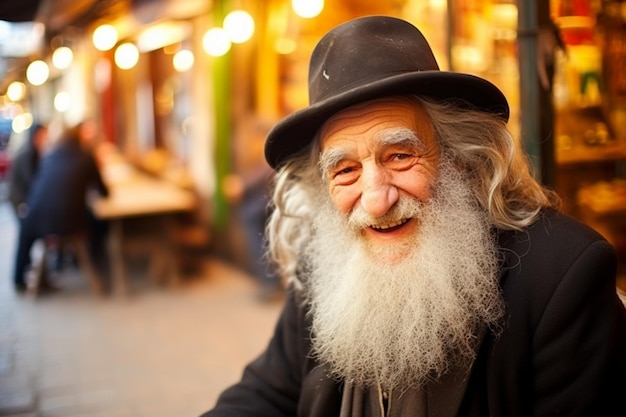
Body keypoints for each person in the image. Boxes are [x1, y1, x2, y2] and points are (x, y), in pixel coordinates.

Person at [201, 16, 626, 416]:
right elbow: (266, 393)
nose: (376, 200)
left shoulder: (563, 275)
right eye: (345, 170)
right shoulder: (326, 265)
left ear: (458, 158)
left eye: (401, 155)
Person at [12, 122, 109, 293]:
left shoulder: (49, 156)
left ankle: (19, 280)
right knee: (100, 223)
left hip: (35, 218)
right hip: (70, 222)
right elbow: (103, 191)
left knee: (25, 231)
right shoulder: (85, 157)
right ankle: (99, 263)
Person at [7, 123, 48, 218]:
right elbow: (30, 179)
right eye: (41, 136)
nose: (44, 139)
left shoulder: (36, 151)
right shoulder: (26, 153)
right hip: (19, 198)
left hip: (26, 195)